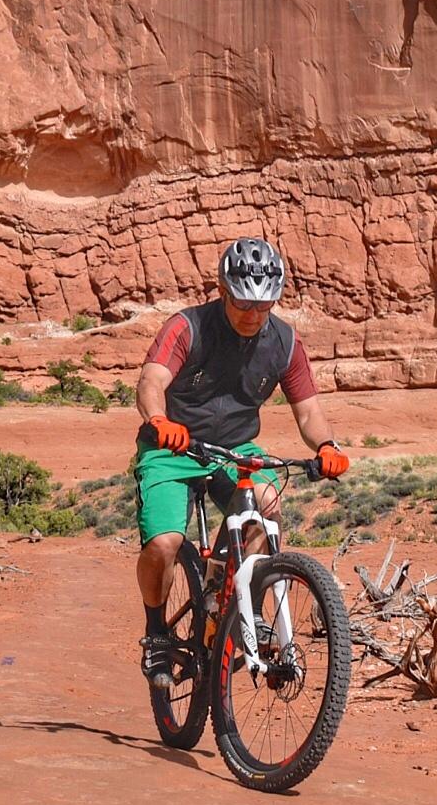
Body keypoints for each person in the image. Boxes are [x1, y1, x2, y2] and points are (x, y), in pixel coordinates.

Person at [132, 236, 348, 683]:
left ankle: (242, 607)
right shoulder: (187, 327)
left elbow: (308, 411)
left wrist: (327, 446)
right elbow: (151, 381)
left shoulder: (284, 341)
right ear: (223, 291)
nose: (253, 315)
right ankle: (156, 635)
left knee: (266, 507)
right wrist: (159, 419)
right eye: (243, 303)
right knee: (165, 544)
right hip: (174, 446)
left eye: (263, 306)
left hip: (235, 451)